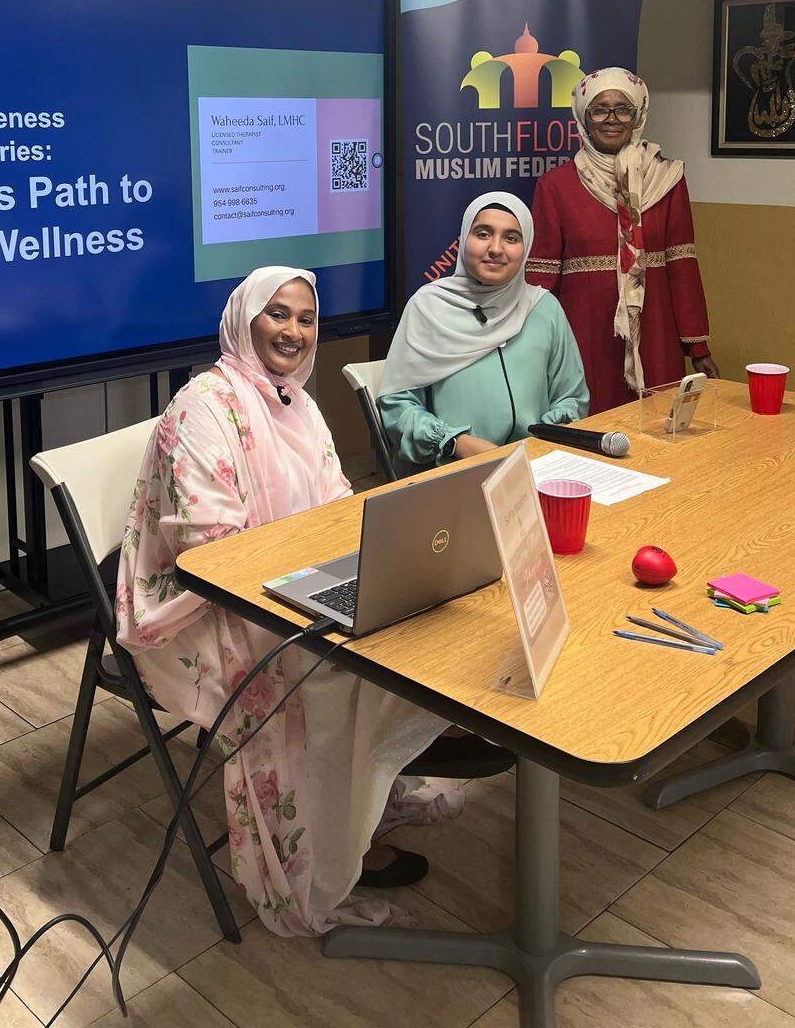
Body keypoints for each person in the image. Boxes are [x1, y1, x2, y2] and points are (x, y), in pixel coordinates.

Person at [115, 265, 465, 937]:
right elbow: (208, 550)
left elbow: (333, 502)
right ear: (244, 320)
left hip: (282, 583)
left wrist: (354, 558)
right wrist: (309, 579)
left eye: (306, 319)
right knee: (330, 671)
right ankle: (319, 862)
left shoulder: (296, 403)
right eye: (278, 314)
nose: (294, 331)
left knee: (401, 629)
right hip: (199, 608)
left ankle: (360, 803)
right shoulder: (201, 407)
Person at [528, 67, 718, 415]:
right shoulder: (556, 186)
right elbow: (541, 279)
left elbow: (682, 266)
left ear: (638, 114)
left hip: (656, 333)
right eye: (599, 109)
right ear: (583, 117)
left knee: (657, 427)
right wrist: (533, 344)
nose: (612, 119)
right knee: (592, 427)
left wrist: (697, 345)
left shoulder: (668, 178)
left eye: (623, 109)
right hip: (584, 333)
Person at [378, 192, 588, 470]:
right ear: (465, 238)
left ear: (526, 247)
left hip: (534, 466)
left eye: (511, 238)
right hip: (453, 471)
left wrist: (542, 442)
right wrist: (456, 443)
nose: (496, 248)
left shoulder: (543, 307)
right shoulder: (428, 307)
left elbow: (571, 397)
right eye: (483, 234)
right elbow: (398, 406)